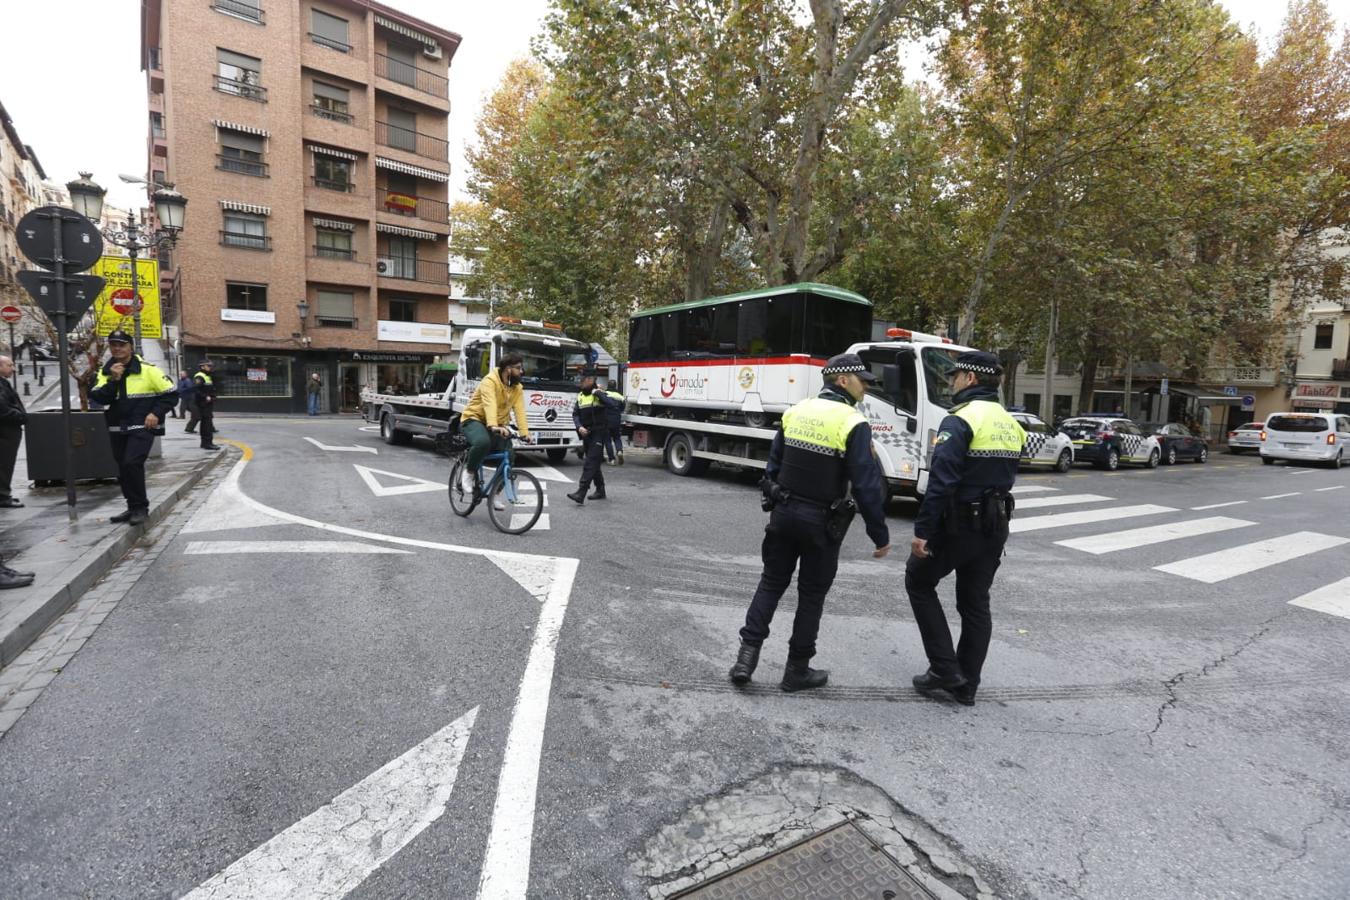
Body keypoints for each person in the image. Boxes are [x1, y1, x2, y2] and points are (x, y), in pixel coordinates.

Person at [729, 353, 891, 692]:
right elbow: (865, 483)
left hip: (784, 514)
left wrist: (776, 498)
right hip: (822, 523)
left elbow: (772, 467)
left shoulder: (795, 411)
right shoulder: (853, 422)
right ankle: (796, 671)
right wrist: (879, 534)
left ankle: (746, 658)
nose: (866, 387)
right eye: (862, 380)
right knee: (811, 596)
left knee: (771, 584)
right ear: (842, 380)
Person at [905, 350, 1021, 707]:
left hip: (960, 524)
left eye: (955, 376)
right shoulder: (1010, 422)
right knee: (975, 603)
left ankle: (943, 667)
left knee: (919, 581)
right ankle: (967, 684)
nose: (951, 381)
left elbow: (942, 482)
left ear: (970, 379)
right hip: (995, 523)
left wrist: (923, 531)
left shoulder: (959, 420)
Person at [89, 330, 179, 526]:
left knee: (132, 463)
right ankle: (131, 507)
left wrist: (155, 413)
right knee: (122, 468)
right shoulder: (106, 372)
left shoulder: (148, 369)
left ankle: (141, 508)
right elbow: (99, 397)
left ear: (130, 347)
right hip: (116, 428)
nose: (117, 348)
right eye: (113, 344)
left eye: (122, 344)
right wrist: (114, 380)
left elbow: (171, 395)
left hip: (141, 427)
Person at [457, 353, 530, 507]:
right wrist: (493, 425)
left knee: (509, 456)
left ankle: (495, 495)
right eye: (518, 368)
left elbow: (520, 410)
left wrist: (525, 433)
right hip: (474, 419)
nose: (521, 371)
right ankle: (469, 472)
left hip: (497, 425)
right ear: (508, 369)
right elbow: (490, 403)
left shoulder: (517, 388)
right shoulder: (490, 381)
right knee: (483, 442)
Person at [567, 369, 618, 504]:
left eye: (582, 380)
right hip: (587, 434)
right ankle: (600, 490)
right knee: (594, 463)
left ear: (590, 380)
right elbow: (575, 414)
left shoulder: (599, 393)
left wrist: (599, 394)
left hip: (599, 433)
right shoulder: (580, 396)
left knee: (590, 462)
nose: (580, 382)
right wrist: (579, 427)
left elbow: (612, 405)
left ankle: (581, 492)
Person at [0, 356, 28, 508]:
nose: (13, 368)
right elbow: (2, 408)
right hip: (6, 431)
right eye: (10, 365)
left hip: (7, 430)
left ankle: (4, 494)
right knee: (4, 464)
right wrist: (21, 416)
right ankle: (3, 496)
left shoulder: (3, 383)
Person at [193, 360, 220, 451]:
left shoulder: (208, 376)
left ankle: (207, 443)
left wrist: (213, 396)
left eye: (210, 365)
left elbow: (209, 388)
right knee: (206, 424)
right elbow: (196, 390)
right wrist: (206, 397)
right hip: (203, 403)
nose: (210, 367)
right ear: (202, 367)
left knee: (207, 423)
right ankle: (206, 443)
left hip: (208, 403)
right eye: (208, 365)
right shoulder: (199, 376)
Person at [602, 380, 625, 464]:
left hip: (606, 420)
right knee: (617, 437)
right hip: (616, 420)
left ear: (608, 385)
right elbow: (622, 409)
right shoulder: (620, 396)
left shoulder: (604, 394)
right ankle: (619, 451)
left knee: (607, 440)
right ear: (615, 386)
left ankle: (612, 459)